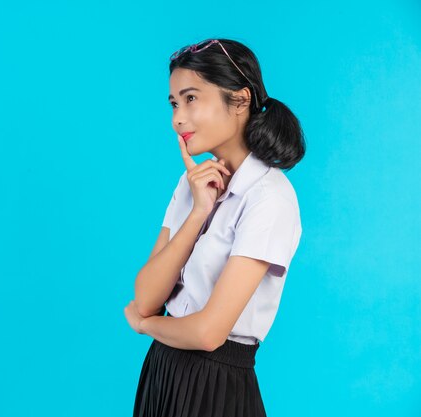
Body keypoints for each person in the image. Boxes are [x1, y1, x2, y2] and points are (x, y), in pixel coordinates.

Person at [123, 38, 306, 416]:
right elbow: (145, 296)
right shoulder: (191, 184)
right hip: (162, 373)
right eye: (174, 103)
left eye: (191, 99)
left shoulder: (269, 198)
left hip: (216, 386)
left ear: (239, 101)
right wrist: (197, 213)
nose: (177, 118)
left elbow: (208, 334)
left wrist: (145, 326)